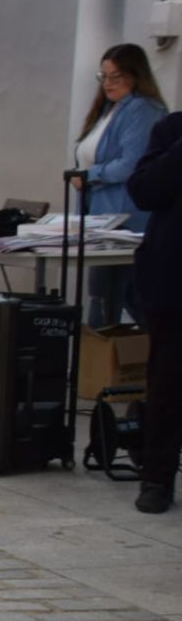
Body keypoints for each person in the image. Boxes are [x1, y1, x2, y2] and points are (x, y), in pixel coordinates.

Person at [75, 43, 168, 327]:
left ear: (135, 75)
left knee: (126, 293)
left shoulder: (141, 109)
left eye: (115, 76)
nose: (108, 83)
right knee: (103, 292)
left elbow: (132, 164)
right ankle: (98, 359)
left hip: (125, 216)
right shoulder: (108, 109)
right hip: (102, 216)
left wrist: (91, 174)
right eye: (103, 76)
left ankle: (121, 357)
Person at [130, 111, 182, 514]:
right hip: (173, 279)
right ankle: (157, 477)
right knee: (167, 380)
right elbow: (145, 191)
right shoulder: (170, 130)